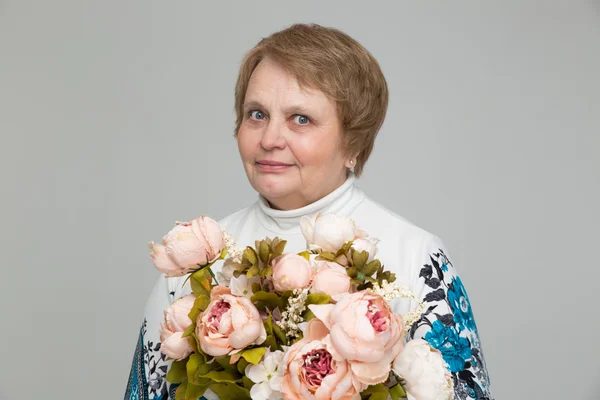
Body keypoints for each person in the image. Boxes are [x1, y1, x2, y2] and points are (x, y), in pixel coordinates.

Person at [125, 23, 493, 400]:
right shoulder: (195, 257)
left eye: (301, 119)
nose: (269, 139)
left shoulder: (416, 257)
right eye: (256, 114)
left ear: (354, 142)